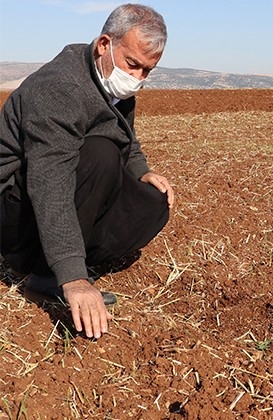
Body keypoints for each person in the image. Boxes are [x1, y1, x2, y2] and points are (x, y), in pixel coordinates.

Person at [0, 4, 174, 339]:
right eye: (133, 65)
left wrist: (141, 169)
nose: (137, 79)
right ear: (105, 44)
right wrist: (73, 278)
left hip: (51, 195)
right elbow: (50, 182)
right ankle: (44, 272)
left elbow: (123, 136)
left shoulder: (111, 83)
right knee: (100, 155)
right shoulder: (60, 89)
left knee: (152, 203)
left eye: (147, 71)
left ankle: (66, 252)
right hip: (13, 208)